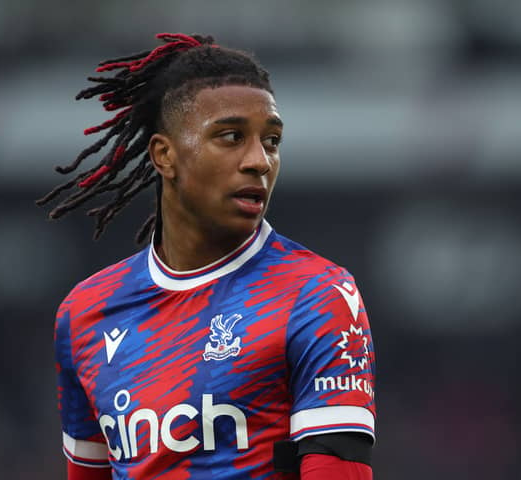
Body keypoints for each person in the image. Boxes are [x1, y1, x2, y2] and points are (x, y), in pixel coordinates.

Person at [38, 33, 376, 480]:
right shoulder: (85, 313)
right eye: (231, 136)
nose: (259, 160)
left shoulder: (317, 295)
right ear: (165, 155)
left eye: (271, 141)